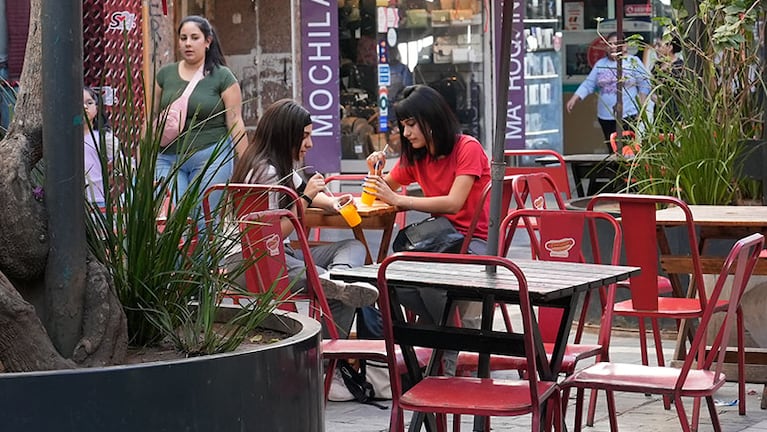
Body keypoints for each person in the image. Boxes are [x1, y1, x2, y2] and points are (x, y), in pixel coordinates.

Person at [364, 84, 490, 374]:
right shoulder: (416, 155)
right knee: (389, 279)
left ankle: (444, 350)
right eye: (403, 126)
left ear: (431, 119)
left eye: (411, 125)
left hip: (475, 242)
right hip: (439, 241)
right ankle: (447, 333)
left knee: (424, 276)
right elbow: (385, 191)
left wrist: (401, 200)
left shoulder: (466, 147)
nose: (406, 133)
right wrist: (376, 171)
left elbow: (455, 203)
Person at [230, 99, 378, 340]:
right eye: (305, 136)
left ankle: (335, 277)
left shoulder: (279, 164)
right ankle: (327, 360)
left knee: (353, 247)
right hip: (253, 263)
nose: (310, 144)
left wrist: (333, 202)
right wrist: (306, 199)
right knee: (341, 295)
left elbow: (302, 192)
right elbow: (270, 237)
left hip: (279, 256)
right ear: (286, 135)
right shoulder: (264, 172)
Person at [153, 15, 247, 205]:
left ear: (207, 41)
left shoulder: (222, 76)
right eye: (183, 38)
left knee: (203, 221)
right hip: (168, 157)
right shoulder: (165, 75)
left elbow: (235, 121)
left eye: (194, 38)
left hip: (210, 157)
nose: (188, 43)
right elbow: (151, 118)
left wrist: (247, 165)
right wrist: (143, 159)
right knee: (171, 220)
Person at [566, 32, 651, 145]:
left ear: (624, 46)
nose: (612, 47)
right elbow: (589, 83)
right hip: (605, 115)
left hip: (629, 113)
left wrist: (641, 107)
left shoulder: (633, 62)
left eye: (615, 44)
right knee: (612, 147)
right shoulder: (601, 64)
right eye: (609, 44)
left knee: (627, 147)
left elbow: (644, 84)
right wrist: (575, 98)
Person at [83, 86, 119, 207]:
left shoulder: (104, 138)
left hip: (97, 200)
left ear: (97, 107)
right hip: (71, 198)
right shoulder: (65, 139)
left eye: (89, 103)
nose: (84, 107)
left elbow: (120, 162)